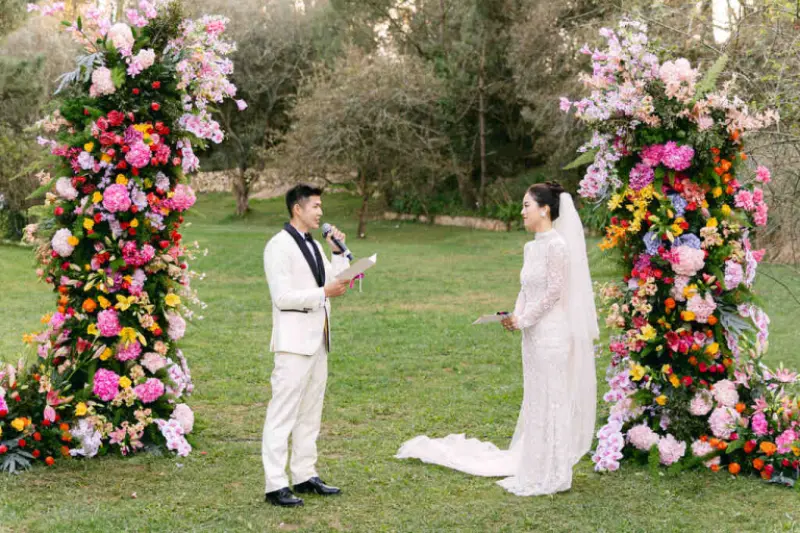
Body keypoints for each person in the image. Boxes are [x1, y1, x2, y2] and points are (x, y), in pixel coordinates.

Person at [396, 181, 599, 496]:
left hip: (551, 333)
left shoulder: (557, 246)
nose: (522, 212)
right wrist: (513, 315)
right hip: (531, 334)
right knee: (535, 397)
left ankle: (555, 472)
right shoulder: (531, 247)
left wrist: (526, 318)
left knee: (552, 396)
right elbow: (526, 288)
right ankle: (535, 463)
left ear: (544, 209)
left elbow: (554, 293)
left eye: (526, 206)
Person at [262, 184, 351, 507]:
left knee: (311, 412)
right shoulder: (278, 247)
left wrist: (339, 252)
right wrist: (323, 294)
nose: (320, 212)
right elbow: (282, 298)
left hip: (319, 340)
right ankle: (275, 483)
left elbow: (334, 282)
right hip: (293, 344)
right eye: (315, 206)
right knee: (282, 413)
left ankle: (304, 474)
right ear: (297, 209)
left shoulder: (314, 244)